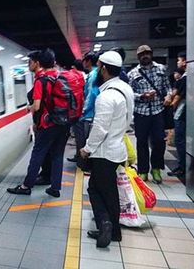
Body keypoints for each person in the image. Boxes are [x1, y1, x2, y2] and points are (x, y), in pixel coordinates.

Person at [80, 51, 135, 248]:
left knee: (95, 188)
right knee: (109, 191)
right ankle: (115, 232)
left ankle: (105, 224)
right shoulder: (126, 89)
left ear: (103, 68)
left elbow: (100, 128)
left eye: (98, 67)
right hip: (117, 148)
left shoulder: (106, 96)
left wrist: (86, 149)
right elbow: (129, 119)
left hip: (104, 152)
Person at [7, 49, 70, 197]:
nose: (29, 64)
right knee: (57, 155)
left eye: (30, 62)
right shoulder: (59, 76)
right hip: (63, 123)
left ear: (38, 63)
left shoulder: (41, 81)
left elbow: (36, 106)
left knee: (37, 154)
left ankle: (26, 186)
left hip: (47, 125)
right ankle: (55, 189)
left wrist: (29, 108)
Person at [127, 45, 172, 183]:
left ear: (151, 54)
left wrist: (169, 96)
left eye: (147, 53)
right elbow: (129, 93)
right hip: (141, 113)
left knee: (159, 141)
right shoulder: (132, 74)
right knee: (141, 142)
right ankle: (143, 171)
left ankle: (156, 168)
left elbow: (167, 87)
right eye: (142, 54)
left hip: (158, 111)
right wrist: (142, 96)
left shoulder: (161, 69)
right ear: (138, 57)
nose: (145, 56)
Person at [68, 52, 99, 174]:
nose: (83, 63)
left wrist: (83, 111)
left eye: (84, 60)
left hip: (89, 115)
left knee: (85, 140)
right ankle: (84, 163)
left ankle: (86, 166)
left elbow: (91, 95)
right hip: (92, 113)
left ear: (89, 61)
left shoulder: (92, 75)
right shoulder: (96, 73)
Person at [168, 51, 187, 177]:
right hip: (187, 113)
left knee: (180, 140)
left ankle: (182, 167)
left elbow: (177, 97)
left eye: (179, 60)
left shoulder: (185, 79)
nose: (178, 63)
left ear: (185, 61)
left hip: (182, 113)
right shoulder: (187, 77)